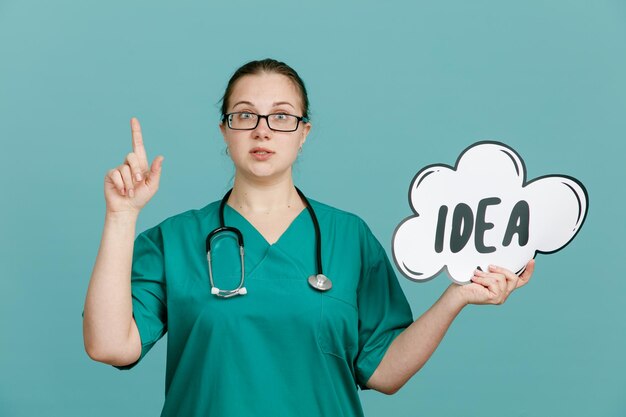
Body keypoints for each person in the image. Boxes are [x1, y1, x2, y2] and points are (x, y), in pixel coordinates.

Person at [82, 58, 535, 417]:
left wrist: (456, 297)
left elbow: (384, 371)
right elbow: (108, 345)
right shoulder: (175, 239)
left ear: (304, 133)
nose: (262, 129)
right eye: (245, 115)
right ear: (225, 130)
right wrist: (122, 215)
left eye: (281, 117)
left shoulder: (349, 238)